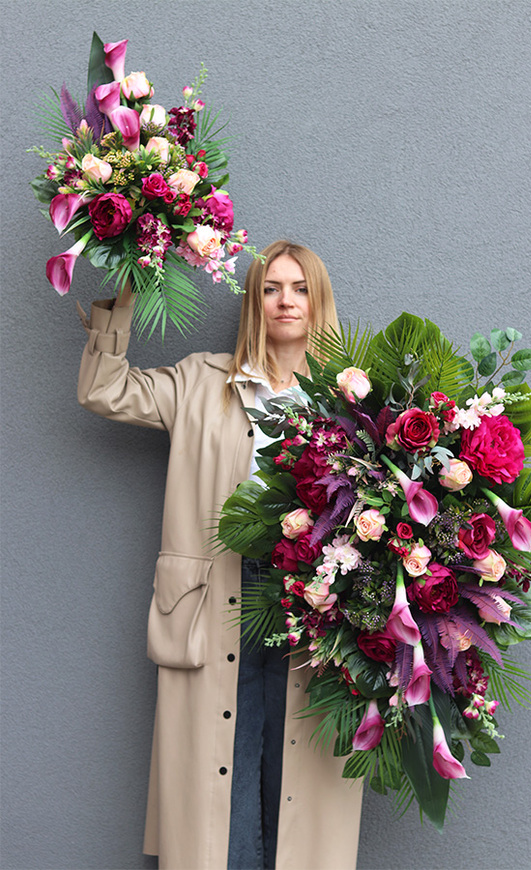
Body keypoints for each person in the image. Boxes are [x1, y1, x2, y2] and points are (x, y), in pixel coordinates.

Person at [77, 240, 364, 870]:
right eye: (270, 288)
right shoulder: (199, 381)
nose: (285, 301)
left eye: (300, 288)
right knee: (219, 771)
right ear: (253, 300)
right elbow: (103, 389)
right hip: (213, 600)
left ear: (319, 301)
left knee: (298, 769)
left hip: (313, 599)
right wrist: (129, 284)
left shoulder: (351, 401)